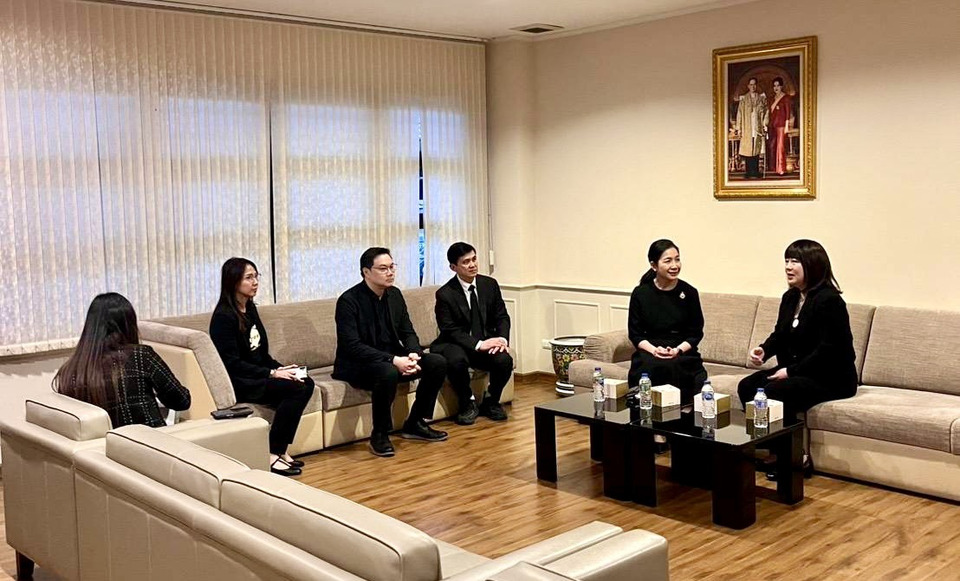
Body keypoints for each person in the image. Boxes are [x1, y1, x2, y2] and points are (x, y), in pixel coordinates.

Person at [737, 240, 857, 476]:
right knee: (748, 386)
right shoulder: (790, 297)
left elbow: (830, 349)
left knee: (776, 391)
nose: (788, 267)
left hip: (830, 377)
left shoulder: (829, 300)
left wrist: (791, 371)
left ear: (812, 265)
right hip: (799, 370)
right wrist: (763, 350)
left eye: (795, 261)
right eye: (787, 261)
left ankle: (795, 458)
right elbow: (780, 334)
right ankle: (775, 449)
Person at [333, 247, 448, 457]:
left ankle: (416, 422)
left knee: (436, 362)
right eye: (383, 268)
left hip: (393, 356)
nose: (390, 273)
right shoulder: (349, 301)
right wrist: (394, 360)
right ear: (366, 272)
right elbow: (352, 346)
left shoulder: (394, 294)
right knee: (387, 371)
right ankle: (380, 434)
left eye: (392, 267)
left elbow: (407, 331)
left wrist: (413, 353)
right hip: (359, 363)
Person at [209, 257, 313, 477]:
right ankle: (273, 452)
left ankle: (280, 449)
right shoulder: (223, 317)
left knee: (304, 380)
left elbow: (261, 354)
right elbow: (232, 363)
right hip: (241, 381)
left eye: (256, 276)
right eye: (249, 277)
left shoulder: (250, 309)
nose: (255, 282)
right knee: (296, 389)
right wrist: (272, 373)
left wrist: (282, 368)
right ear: (233, 281)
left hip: (259, 374)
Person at [53, 292, 191, 429]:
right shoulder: (140, 356)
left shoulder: (69, 371)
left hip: (104, 442)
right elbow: (181, 401)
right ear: (128, 324)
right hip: (149, 439)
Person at [432, 242, 512, 425]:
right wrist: (479, 345)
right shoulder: (445, 294)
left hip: (484, 340)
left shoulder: (489, 284)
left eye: (474, 259)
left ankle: (491, 401)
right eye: (466, 262)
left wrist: (501, 339)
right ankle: (467, 402)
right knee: (456, 360)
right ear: (453, 267)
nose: (472, 265)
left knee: (504, 360)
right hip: (455, 343)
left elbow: (502, 316)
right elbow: (449, 330)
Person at [627, 239, 707, 403]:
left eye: (677, 259)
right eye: (668, 260)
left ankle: (681, 412)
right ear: (654, 265)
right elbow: (635, 334)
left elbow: (696, 333)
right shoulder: (641, 293)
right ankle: (644, 409)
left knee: (676, 366)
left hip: (681, 351)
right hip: (650, 349)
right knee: (650, 367)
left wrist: (677, 350)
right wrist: (654, 350)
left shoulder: (689, 292)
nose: (675, 265)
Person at [735, 77, 768, 178]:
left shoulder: (761, 98)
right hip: (747, 127)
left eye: (754, 84)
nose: (753, 86)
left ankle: (756, 171)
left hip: (757, 126)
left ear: (756, 86)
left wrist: (765, 124)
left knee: (756, 148)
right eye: (751, 84)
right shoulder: (744, 99)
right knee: (748, 149)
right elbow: (739, 114)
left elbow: (766, 111)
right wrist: (739, 128)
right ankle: (749, 171)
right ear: (748, 86)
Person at [766, 77, 795, 175]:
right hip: (772, 125)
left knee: (780, 147)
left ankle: (781, 168)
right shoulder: (772, 99)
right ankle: (773, 168)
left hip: (782, 125)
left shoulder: (786, 98)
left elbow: (788, 112)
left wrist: (787, 125)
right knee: (772, 146)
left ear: (781, 86)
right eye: (774, 86)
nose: (776, 87)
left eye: (778, 85)